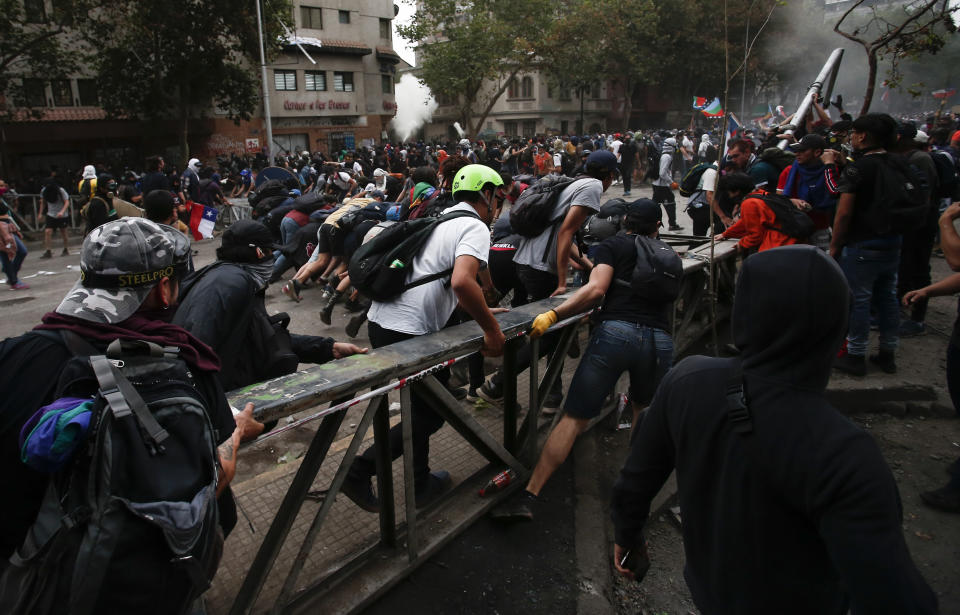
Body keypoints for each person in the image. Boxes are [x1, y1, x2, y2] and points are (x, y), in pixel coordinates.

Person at [610, 245, 938, 615]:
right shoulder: (844, 453)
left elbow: (635, 480)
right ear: (837, 327)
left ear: (746, 313)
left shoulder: (688, 379)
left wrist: (628, 535)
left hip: (708, 591)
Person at [0, 218, 260, 595]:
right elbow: (216, 475)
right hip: (131, 579)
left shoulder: (15, 354)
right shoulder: (182, 365)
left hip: (26, 576)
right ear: (164, 290)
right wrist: (237, 431)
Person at [494, 199, 677, 521]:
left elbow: (596, 290)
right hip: (660, 341)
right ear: (658, 226)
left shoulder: (614, 245)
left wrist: (554, 314)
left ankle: (530, 496)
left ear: (624, 222)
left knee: (574, 418)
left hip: (617, 335)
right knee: (644, 414)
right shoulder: (669, 255)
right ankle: (632, 499)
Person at [340, 164, 506, 512]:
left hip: (382, 322)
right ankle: (358, 470)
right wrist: (492, 329)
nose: (499, 205)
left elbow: (458, 278)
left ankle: (420, 485)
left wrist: (488, 307)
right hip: (410, 331)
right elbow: (462, 283)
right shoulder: (475, 226)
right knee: (432, 412)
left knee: (423, 405)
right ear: (486, 194)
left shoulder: (440, 217)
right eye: (498, 197)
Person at [478, 150, 618, 409]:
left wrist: (588, 265)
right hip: (541, 267)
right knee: (552, 334)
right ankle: (497, 383)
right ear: (609, 175)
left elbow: (558, 231)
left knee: (554, 329)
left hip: (527, 261)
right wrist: (563, 281)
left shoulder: (574, 182)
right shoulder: (593, 186)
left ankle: (551, 396)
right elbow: (566, 232)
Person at [173, 219, 367, 393]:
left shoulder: (224, 276)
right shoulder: (233, 283)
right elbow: (195, 352)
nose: (271, 257)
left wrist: (328, 348)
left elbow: (263, 337)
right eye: (268, 252)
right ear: (258, 252)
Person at [831, 113, 913, 376]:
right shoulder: (900, 163)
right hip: (893, 241)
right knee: (888, 297)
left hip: (863, 243)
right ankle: (887, 353)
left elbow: (843, 213)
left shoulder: (860, 167)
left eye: (853, 133)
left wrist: (835, 246)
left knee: (859, 299)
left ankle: (855, 355)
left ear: (863, 136)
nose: (851, 137)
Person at [776, 133, 841, 252]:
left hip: (820, 227)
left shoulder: (830, 171)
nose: (797, 154)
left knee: (821, 264)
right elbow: (778, 200)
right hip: (794, 229)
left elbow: (836, 194)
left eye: (802, 151)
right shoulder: (789, 172)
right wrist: (792, 201)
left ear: (817, 153)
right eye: (796, 150)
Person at [714, 172, 799, 253]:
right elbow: (745, 222)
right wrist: (726, 234)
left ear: (737, 191)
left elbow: (756, 235)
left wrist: (742, 243)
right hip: (793, 239)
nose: (729, 196)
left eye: (728, 192)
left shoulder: (749, 203)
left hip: (779, 245)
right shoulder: (762, 194)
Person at [685, 145, 719, 236]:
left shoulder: (708, 166)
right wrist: (723, 216)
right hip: (700, 207)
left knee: (699, 237)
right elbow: (709, 195)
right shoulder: (712, 171)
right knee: (699, 238)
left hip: (698, 206)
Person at [652, 137, 683, 231]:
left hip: (658, 184)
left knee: (655, 205)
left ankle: (651, 223)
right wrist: (671, 182)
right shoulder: (667, 157)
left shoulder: (664, 155)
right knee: (670, 203)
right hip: (662, 185)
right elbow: (662, 173)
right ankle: (672, 224)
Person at [0, 200, 28, 290]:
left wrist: (15, 229)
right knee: (5, 254)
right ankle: (13, 281)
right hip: (1, 227)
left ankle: (11, 274)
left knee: (22, 251)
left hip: (7, 224)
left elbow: (8, 215)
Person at [39, 181, 71, 258]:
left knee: (63, 232)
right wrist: (40, 213)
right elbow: (43, 202)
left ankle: (66, 248)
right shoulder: (44, 191)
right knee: (47, 231)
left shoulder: (61, 191)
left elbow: (67, 202)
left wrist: (62, 211)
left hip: (62, 215)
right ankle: (48, 250)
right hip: (51, 214)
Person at [619, 132, 639, 197]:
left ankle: (627, 190)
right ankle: (626, 190)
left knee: (627, 176)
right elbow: (637, 155)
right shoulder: (623, 146)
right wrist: (639, 162)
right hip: (626, 164)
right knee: (626, 177)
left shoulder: (624, 146)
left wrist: (638, 162)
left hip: (628, 164)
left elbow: (636, 155)